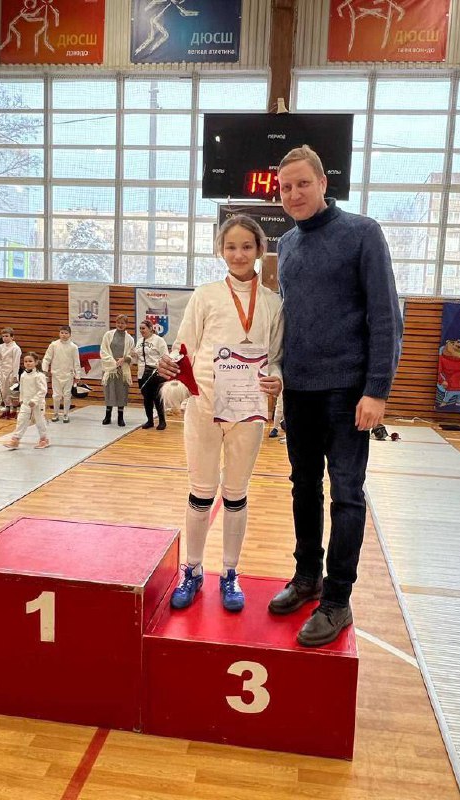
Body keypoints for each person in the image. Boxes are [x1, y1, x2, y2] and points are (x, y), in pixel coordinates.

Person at [267, 145, 403, 647]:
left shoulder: (362, 232)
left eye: (303, 183)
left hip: (348, 391)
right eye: (286, 187)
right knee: (303, 486)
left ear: (324, 183)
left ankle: (338, 599)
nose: (294, 193)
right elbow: (286, 321)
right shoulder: (287, 245)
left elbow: (386, 316)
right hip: (299, 390)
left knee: (346, 493)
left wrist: (377, 390)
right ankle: (307, 577)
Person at [157, 215, 283, 612]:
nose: (239, 254)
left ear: (259, 249)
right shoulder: (206, 295)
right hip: (205, 407)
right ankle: (193, 570)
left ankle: (230, 572)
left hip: (248, 411)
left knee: (236, 494)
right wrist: (171, 367)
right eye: (231, 247)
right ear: (220, 251)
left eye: (247, 246)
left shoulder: (272, 302)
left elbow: (276, 357)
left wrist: (277, 379)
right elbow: (183, 348)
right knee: (200, 491)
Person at [3, 352, 49, 450]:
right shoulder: (23, 375)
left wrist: (35, 400)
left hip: (38, 403)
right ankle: (15, 440)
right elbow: (22, 389)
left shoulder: (39, 375)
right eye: (26, 361)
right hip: (26, 402)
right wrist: (21, 400)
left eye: (30, 361)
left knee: (39, 421)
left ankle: (44, 439)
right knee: (21, 420)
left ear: (36, 362)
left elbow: (43, 390)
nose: (28, 363)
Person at [100, 314, 135, 427]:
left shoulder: (130, 339)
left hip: (122, 370)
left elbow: (132, 355)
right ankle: (108, 415)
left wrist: (124, 360)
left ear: (126, 325)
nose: (120, 325)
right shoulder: (108, 335)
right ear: (115, 323)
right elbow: (103, 351)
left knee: (122, 392)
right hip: (110, 369)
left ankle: (120, 417)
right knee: (109, 392)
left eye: (122, 323)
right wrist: (113, 362)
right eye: (118, 323)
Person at [42, 325, 82, 423]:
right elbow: (47, 358)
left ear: (70, 334)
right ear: (59, 333)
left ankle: (66, 414)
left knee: (67, 395)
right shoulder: (54, 345)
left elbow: (76, 362)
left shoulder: (73, 347)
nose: (64, 335)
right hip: (56, 374)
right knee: (56, 396)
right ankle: (55, 414)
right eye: (62, 333)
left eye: (66, 333)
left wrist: (77, 375)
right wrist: (45, 371)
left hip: (68, 375)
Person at [134, 319, 168, 430]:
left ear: (150, 328)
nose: (141, 330)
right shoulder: (139, 341)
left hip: (155, 373)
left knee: (158, 398)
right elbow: (136, 357)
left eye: (143, 328)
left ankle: (162, 421)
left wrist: (160, 368)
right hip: (142, 373)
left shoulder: (159, 340)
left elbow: (165, 356)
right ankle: (150, 421)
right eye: (140, 328)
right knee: (147, 398)